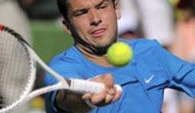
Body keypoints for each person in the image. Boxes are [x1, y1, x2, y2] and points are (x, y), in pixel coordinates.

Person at [45, 0, 195, 113]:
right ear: (67, 26)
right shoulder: (62, 67)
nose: (95, 19)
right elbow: (65, 97)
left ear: (116, 9)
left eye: (102, 7)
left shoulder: (150, 51)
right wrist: (86, 97)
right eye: (82, 13)